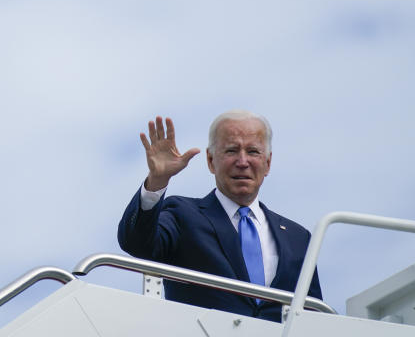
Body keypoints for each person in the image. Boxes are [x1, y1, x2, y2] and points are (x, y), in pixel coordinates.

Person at [117, 110, 322, 322]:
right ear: (210, 160)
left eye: (253, 152)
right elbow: (137, 243)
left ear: (267, 163)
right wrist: (157, 181)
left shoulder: (298, 238)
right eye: (232, 151)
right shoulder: (183, 214)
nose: (242, 161)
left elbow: (315, 319)